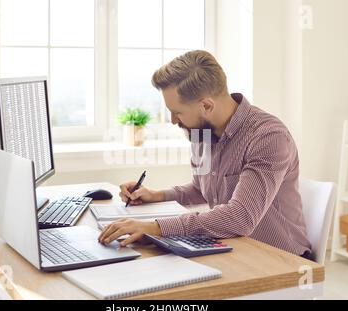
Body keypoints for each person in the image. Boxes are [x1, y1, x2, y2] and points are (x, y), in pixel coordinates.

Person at [99, 50, 312, 258]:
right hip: (234, 246)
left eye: (177, 112)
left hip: (280, 260)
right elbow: (203, 189)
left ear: (206, 105)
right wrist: (157, 195)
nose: (173, 120)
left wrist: (154, 227)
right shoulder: (202, 132)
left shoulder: (268, 137)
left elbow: (240, 217)